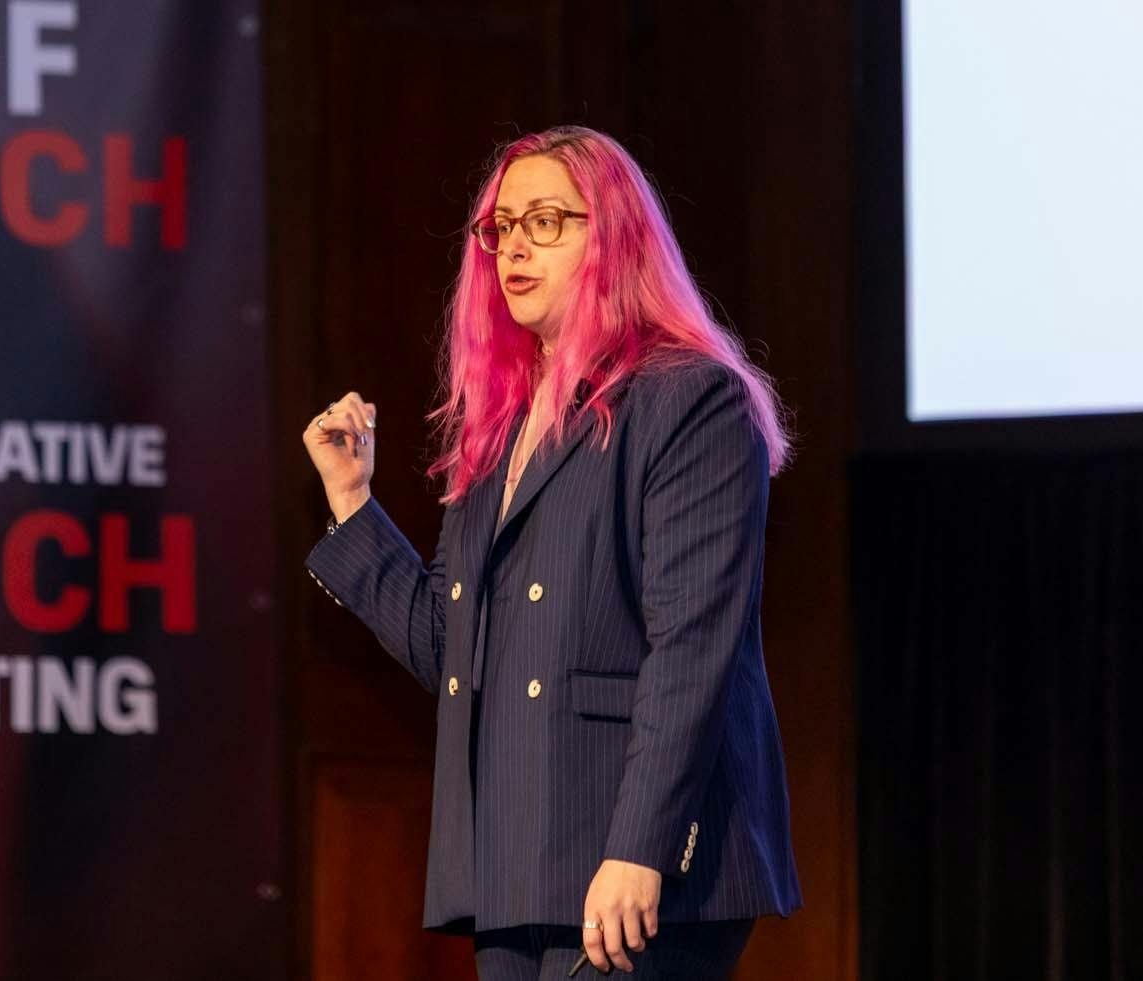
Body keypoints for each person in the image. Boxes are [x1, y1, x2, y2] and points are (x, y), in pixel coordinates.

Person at [301, 126, 801, 980]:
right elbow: (453, 647)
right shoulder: (499, 429)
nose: (514, 246)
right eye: (501, 226)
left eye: (548, 220)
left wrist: (640, 848)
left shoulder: (689, 398)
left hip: (638, 858)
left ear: (614, 239)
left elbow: (692, 650)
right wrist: (352, 502)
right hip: (517, 858)